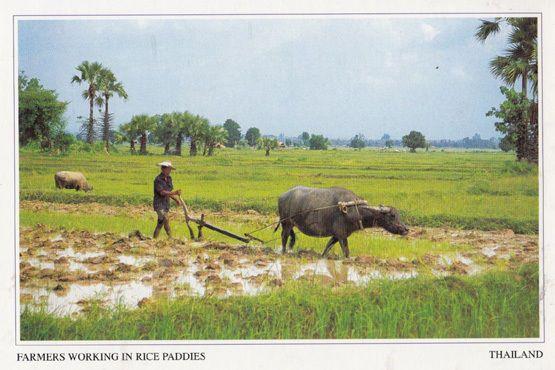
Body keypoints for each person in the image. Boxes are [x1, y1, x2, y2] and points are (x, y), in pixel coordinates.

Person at [153, 161, 182, 238]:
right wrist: (174, 193)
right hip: (159, 204)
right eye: (168, 169)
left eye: (170, 169)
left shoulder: (169, 178)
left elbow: (169, 192)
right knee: (164, 218)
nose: (170, 171)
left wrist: (176, 199)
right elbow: (162, 192)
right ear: (163, 169)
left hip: (166, 204)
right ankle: (167, 238)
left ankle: (168, 238)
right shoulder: (158, 180)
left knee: (164, 222)